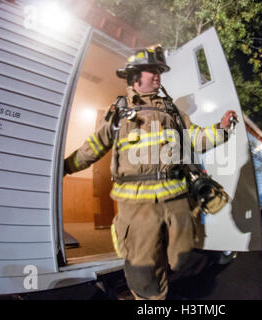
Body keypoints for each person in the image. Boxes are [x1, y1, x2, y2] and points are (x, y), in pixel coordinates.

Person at [63, 45, 237, 300]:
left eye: (158, 71)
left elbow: (196, 138)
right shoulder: (120, 112)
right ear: (134, 76)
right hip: (138, 206)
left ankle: (164, 283)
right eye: (150, 71)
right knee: (143, 270)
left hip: (176, 202)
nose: (157, 76)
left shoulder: (172, 111)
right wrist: (66, 168)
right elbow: (95, 145)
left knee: (182, 258)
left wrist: (221, 129)